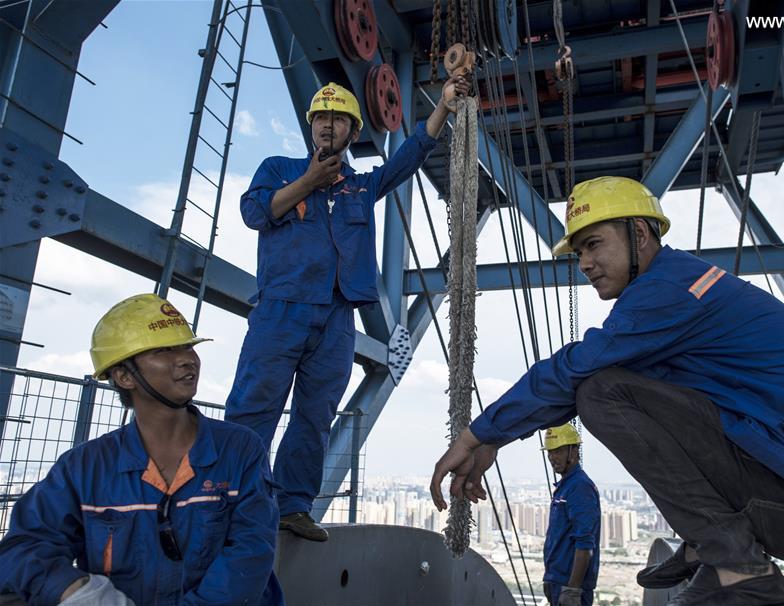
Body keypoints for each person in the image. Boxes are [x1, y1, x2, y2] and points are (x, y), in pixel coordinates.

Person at [430, 176, 784, 605]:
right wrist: (495, 436)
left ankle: (737, 564)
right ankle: (716, 550)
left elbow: (575, 369)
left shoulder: (668, 290)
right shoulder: (679, 288)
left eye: (593, 244)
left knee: (600, 392)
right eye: (579, 251)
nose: (584, 263)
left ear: (639, 233)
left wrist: (478, 435)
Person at [226, 75, 469, 542]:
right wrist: (308, 182)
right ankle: (235, 502)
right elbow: (255, 213)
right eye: (321, 117)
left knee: (315, 416)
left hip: (337, 316)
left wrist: (443, 107)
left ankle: (293, 507)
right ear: (311, 125)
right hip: (281, 310)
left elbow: (409, 158)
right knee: (254, 407)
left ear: (352, 132)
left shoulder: (359, 187)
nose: (327, 124)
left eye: (338, 118)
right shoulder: (278, 168)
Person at [0, 294, 283, 605]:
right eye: (164, 350)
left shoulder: (238, 449)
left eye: (187, 346)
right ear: (124, 376)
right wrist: (79, 591)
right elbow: (26, 544)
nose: (187, 358)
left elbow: (250, 551)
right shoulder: (84, 467)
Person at [541, 424, 600, 606]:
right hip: (557, 582)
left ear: (574, 451)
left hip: (570, 587)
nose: (552, 457)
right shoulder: (565, 487)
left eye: (558, 451)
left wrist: (573, 590)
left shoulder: (579, 487)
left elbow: (584, 543)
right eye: (550, 452)